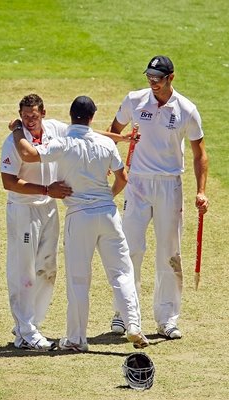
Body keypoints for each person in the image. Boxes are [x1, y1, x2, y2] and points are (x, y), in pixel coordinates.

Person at [10, 96, 149, 351]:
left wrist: (18, 128)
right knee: (122, 273)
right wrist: (107, 197)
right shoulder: (106, 144)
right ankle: (134, 326)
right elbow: (122, 177)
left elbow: (28, 154)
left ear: (70, 115)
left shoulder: (61, 144)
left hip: (79, 217)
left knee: (78, 279)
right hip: (108, 214)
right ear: (92, 117)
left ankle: (76, 339)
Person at [107, 56, 209, 339]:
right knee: (130, 248)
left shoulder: (187, 109)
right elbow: (113, 132)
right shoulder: (134, 101)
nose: (152, 83)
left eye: (158, 78)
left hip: (169, 185)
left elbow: (200, 153)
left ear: (171, 78)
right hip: (138, 183)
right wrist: (108, 165)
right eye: (149, 77)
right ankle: (123, 314)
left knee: (169, 253)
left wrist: (201, 190)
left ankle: (167, 319)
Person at [0, 94, 72, 351]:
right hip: (24, 210)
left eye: (34, 115)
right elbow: (8, 182)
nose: (30, 120)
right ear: (19, 115)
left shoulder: (55, 129)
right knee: (24, 271)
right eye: (25, 116)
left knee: (48, 268)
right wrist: (45, 190)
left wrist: (116, 140)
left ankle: (29, 326)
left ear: (43, 113)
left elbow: (84, 133)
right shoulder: (13, 142)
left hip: (48, 208)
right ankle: (26, 330)